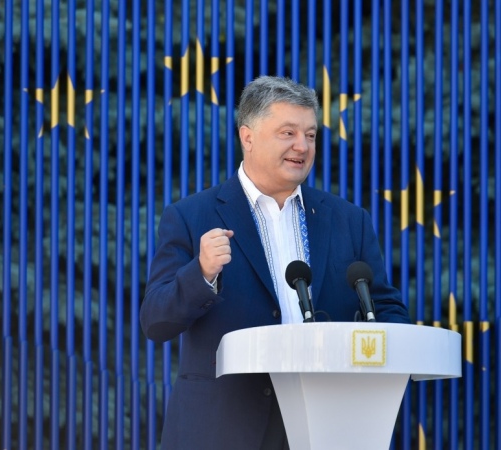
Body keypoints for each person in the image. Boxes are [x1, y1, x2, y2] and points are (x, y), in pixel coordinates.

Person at [140, 75, 410, 450]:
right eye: (288, 133)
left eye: (311, 135)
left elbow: (385, 308)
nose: (303, 146)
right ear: (247, 137)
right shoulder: (191, 216)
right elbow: (156, 321)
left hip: (327, 426)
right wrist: (201, 273)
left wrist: (398, 346)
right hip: (224, 431)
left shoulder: (349, 221)